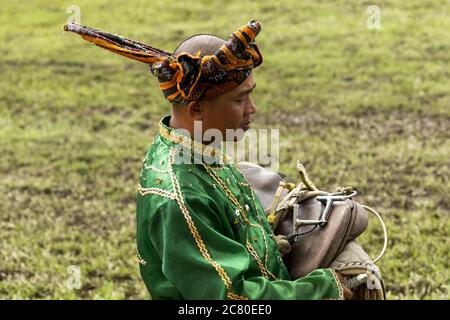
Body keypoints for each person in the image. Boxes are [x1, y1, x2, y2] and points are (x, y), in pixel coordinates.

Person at [64, 20, 353, 300]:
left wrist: (268, 247)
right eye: (240, 100)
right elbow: (233, 297)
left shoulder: (196, 146)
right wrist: (324, 288)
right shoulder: (181, 198)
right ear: (197, 108)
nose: (252, 109)